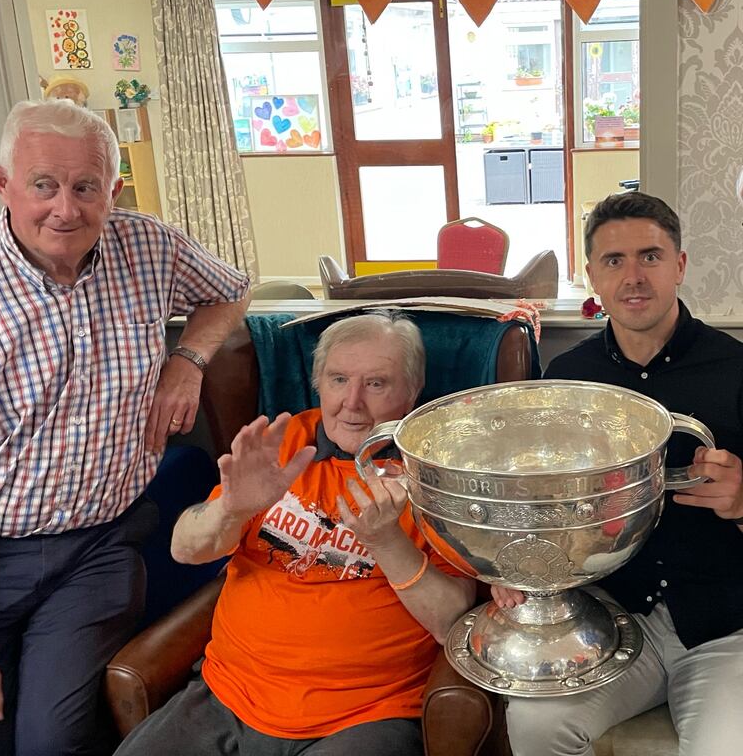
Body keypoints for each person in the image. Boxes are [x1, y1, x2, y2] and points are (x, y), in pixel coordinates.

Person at [0, 99, 250, 756]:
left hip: (100, 546)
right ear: (3, 184)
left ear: (111, 189)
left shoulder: (148, 245)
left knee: (52, 741)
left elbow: (231, 289)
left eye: (86, 188)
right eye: (43, 186)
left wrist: (187, 360)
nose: (66, 209)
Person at [114, 312, 478, 756]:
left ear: (412, 391)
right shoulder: (280, 443)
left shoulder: (439, 473)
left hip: (365, 715)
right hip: (227, 696)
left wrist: (387, 542)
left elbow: (449, 622)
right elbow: (185, 550)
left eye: (377, 384)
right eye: (339, 379)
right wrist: (232, 508)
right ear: (318, 383)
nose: (352, 402)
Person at [495, 192, 743, 756]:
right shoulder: (567, 378)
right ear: (592, 276)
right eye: (614, 261)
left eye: (650, 257)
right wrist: (508, 563)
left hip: (726, 629)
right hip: (609, 622)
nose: (633, 277)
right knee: (535, 726)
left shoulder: (736, 370)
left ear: (679, 265)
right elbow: (536, 502)